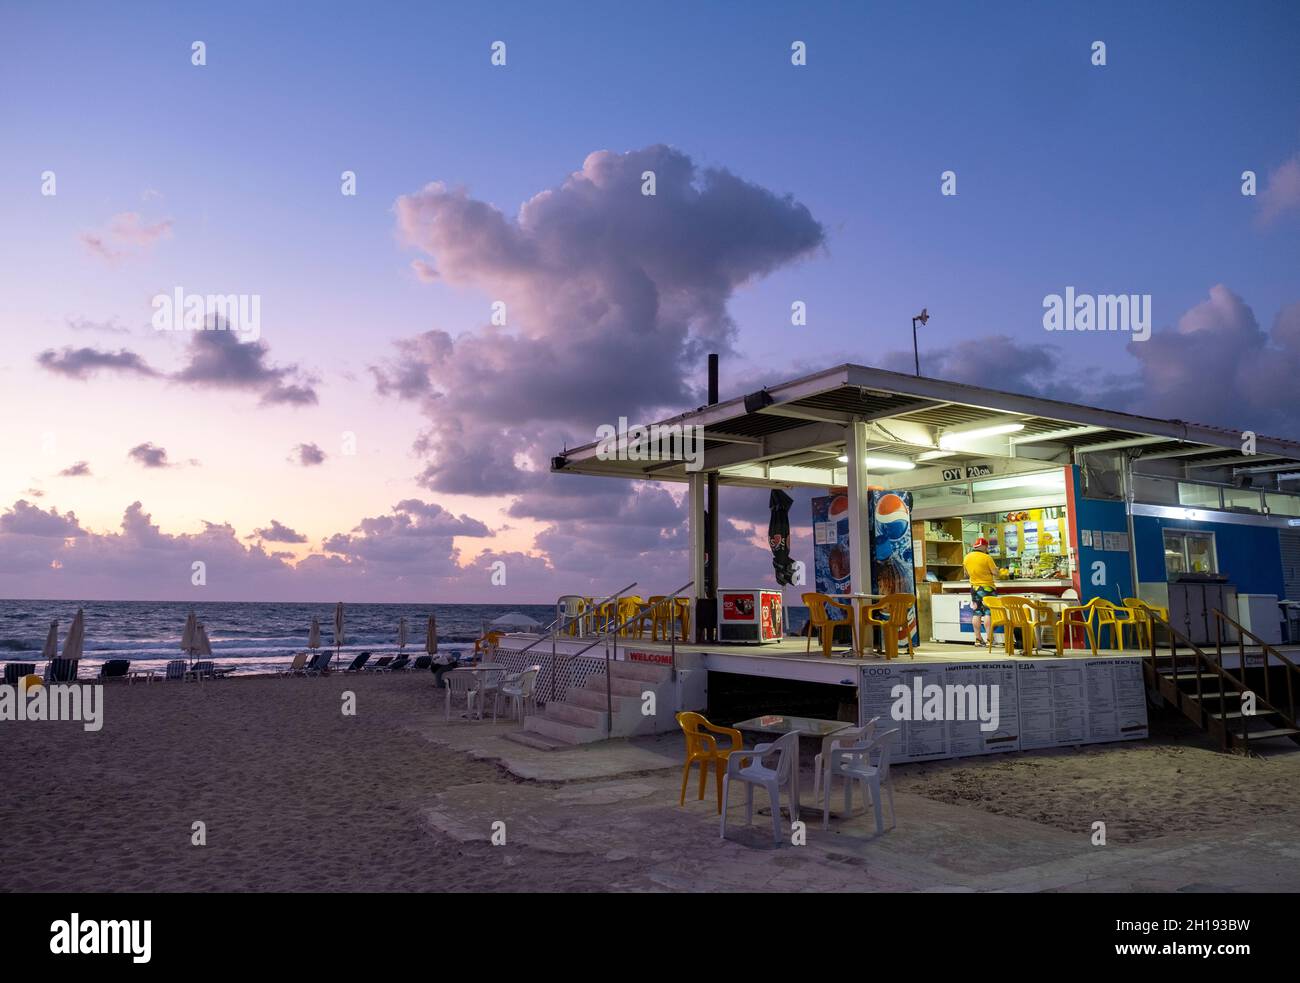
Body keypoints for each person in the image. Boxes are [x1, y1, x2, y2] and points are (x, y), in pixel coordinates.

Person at [963, 536, 1001, 646]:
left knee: (977, 613)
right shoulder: (987, 557)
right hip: (987, 588)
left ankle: (978, 639)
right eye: (987, 547)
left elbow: (966, 574)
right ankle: (989, 640)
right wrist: (997, 570)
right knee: (988, 613)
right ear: (984, 546)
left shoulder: (966, 557)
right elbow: (995, 573)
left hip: (974, 588)